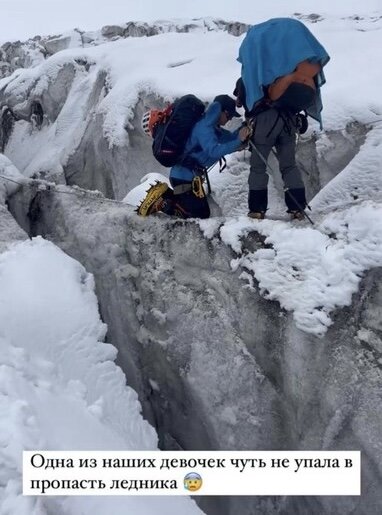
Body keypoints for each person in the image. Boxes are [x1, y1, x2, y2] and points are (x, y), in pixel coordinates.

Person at [236, 17, 330, 221]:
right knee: (289, 165)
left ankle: (257, 209)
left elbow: (245, 99)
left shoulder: (254, 76)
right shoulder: (295, 73)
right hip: (289, 121)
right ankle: (297, 207)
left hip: (265, 121)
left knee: (258, 166)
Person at [139, 95, 250, 218]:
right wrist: (238, 141)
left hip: (188, 177)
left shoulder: (212, 128)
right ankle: (162, 198)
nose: (229, 120)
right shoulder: (204, 128)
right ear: (221, 111)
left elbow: (228, 139)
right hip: (183, 177)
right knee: (199, 215)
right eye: (229, 115)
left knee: (200, 212)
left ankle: (166, 197)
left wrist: (243, 130)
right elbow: (214, 151)